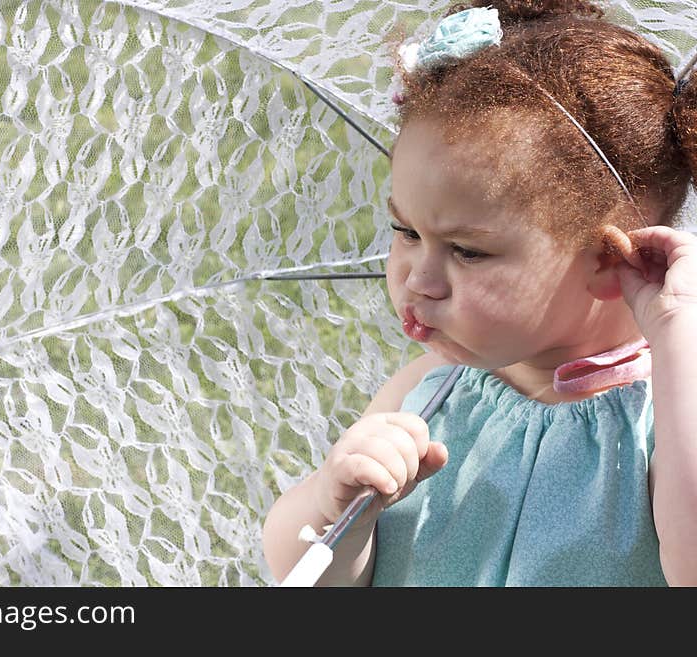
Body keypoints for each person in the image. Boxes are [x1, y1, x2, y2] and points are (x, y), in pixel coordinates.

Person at [261, 0, 697, 586]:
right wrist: (332, 506)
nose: (418, 278)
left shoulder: (665, 416)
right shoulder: (427, 393)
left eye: (468, 251)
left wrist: (679, 340)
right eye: (406, 232)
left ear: (606, 257)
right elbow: (309, 578)